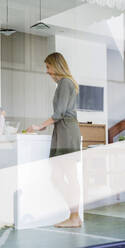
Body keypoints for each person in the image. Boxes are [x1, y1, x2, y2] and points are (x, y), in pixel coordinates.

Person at [26, 52, 82, 228]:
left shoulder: (65, 83)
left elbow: (58, 114)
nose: (47, 71)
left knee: (70, 176)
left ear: (56, 66)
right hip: (62, 131)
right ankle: (74, 214)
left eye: (48, 67)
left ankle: (74, 217)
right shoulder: (63, 85)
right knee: (57, 176)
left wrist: (39, 126)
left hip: (66, 130)